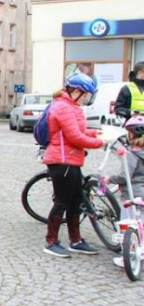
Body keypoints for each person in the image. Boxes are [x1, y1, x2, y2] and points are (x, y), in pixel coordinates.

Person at [42, 73, 103, 258]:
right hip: (62, 161)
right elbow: (74, 137)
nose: (86, 99)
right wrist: (102, 142)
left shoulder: (71, 106)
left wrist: (97, 133)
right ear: (76, 91)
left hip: (71, 160)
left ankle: (75, 241)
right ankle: (51, 242)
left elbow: (80, 130)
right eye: (85, 94)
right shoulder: (62, 107)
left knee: (75, 202)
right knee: (62, 202)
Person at [102, 115, 144, 268]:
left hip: (133, 195)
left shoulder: (131, 155)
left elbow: (124, 177)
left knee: (128, 225)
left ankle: (126, 256)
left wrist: (109, 179)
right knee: (142, 225)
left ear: (131, 134)